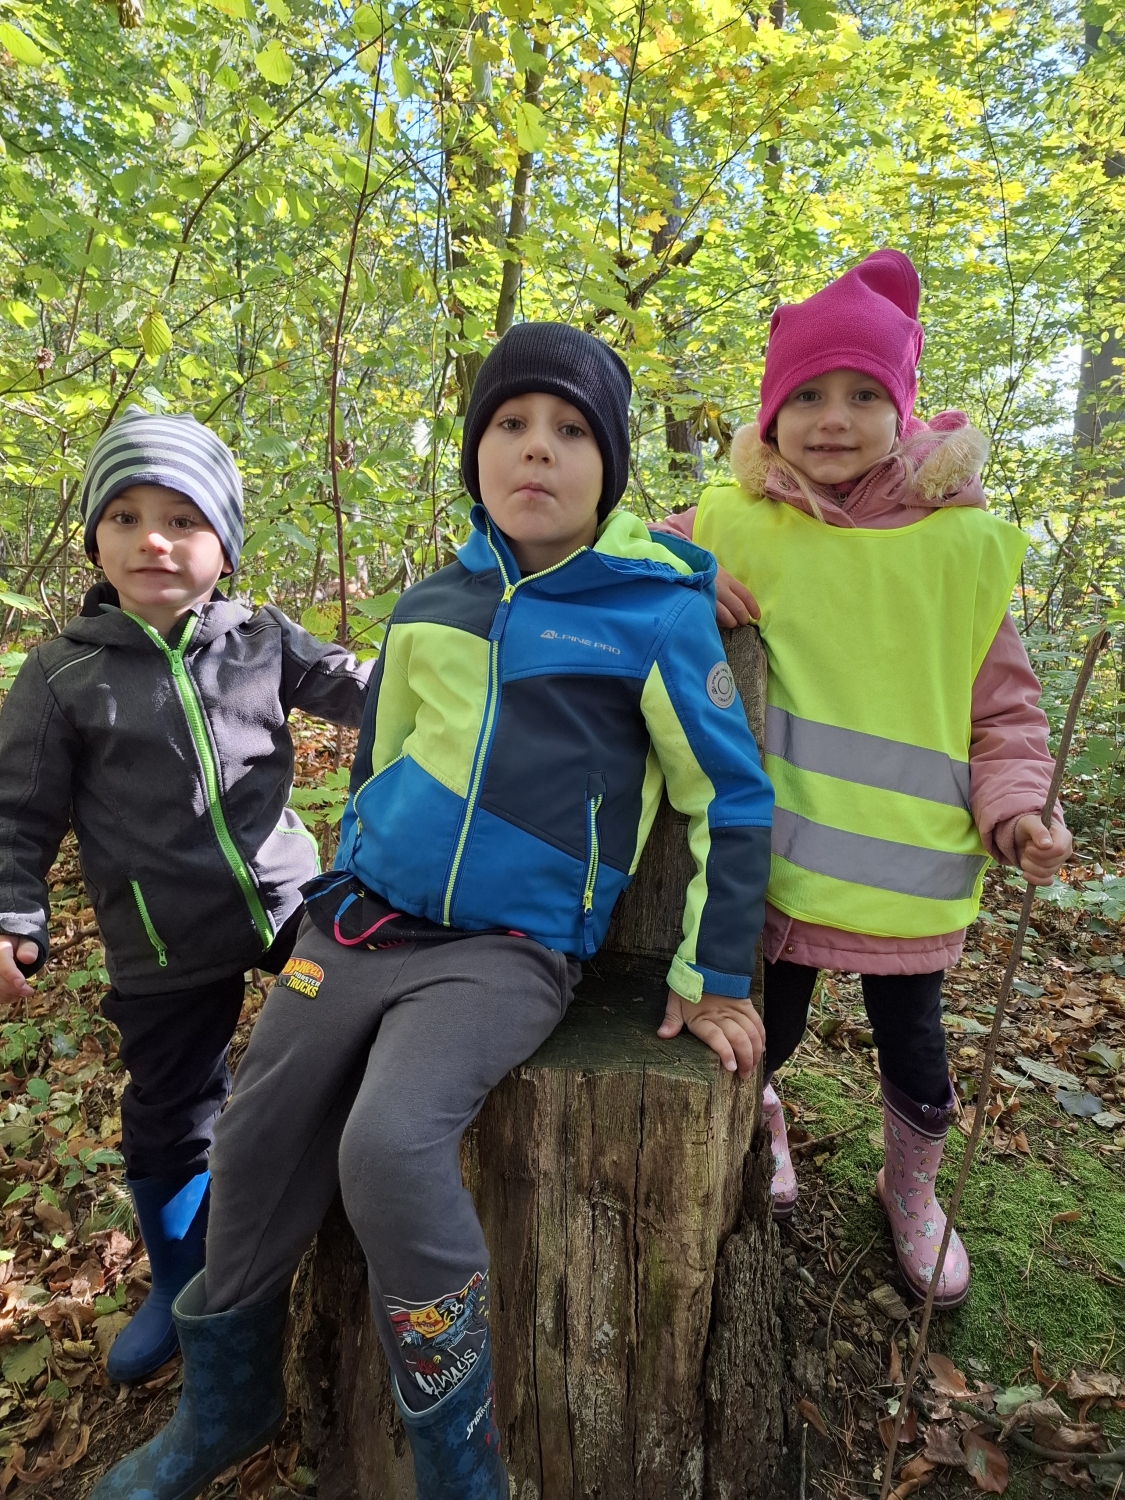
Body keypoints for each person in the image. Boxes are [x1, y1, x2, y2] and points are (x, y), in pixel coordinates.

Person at [88, 322, 775, 1500]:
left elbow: (733, 800)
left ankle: (459, 1458)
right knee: (251, 1132)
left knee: (389, 1144)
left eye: (571, 431)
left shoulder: (656, 615)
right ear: (476, 453)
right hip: (362, 923)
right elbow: (382, 755)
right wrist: (355, 868)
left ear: (611, 465)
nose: (537, 449)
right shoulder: (431, 601)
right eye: (510, 424)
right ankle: (229, 1401)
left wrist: (711, 974)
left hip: (508, 951)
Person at [655, 250, 1071, 1308]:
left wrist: (1019, 812)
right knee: (767, 1032)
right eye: (804, 396)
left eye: (861, 395)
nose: (831, 420)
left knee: (917, 1054)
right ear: (770, 414)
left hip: (909, 876)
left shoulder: (959, 549)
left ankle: (911, 1189)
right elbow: (624, 555)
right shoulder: (734, 521)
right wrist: (683, 576)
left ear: (904, 409)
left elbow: (1004, 713)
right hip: (774, 866)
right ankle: (761, 1126)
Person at [0, 407, 372, 1381]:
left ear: (225, 546)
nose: (153, 540)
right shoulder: (64, 674)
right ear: (95, 540)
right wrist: (11, 915)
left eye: (182, 518)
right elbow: (18, 813)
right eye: (124, 517)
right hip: (160, 938)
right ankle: (181, 1279)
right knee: (170, 1108)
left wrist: (461, 669)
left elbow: (367, 688)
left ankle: (344, 1203)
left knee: (356, 1018)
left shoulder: (262, 639)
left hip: (287, 904)